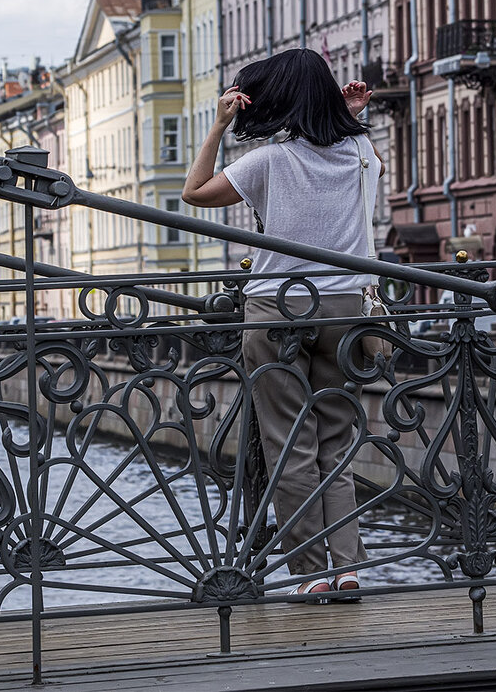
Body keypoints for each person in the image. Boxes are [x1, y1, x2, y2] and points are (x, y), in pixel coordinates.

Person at [182, 48, 385, 600]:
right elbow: (354, 147)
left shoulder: (269, 161)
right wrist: (352, 114)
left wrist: (220, 126)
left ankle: (309, 572)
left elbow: (194, 192)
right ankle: (347, 569)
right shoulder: (363, 154)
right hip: (346, 307)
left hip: (278, 307)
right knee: (335, 441)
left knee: (289, 441)